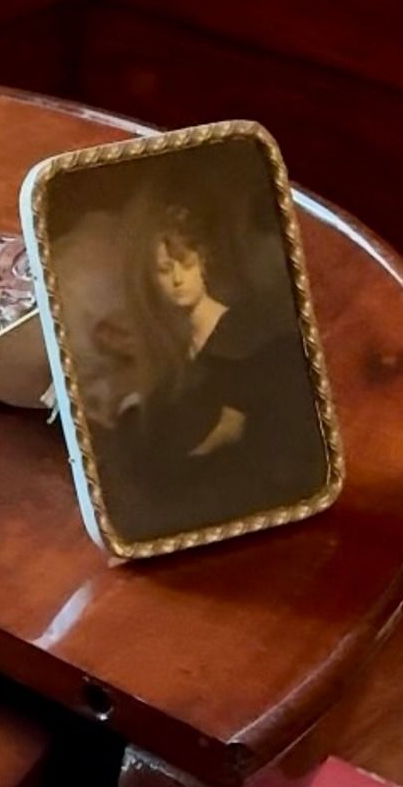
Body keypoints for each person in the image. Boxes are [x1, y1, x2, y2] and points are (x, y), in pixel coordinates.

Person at [101, 197, 326, 539]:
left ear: (203, 262)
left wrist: (176, 472)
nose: (178, 279)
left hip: (251, 488)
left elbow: (231, 431)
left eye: (186, 264)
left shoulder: (244, 335)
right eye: (164, 271)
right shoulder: (179, 350)